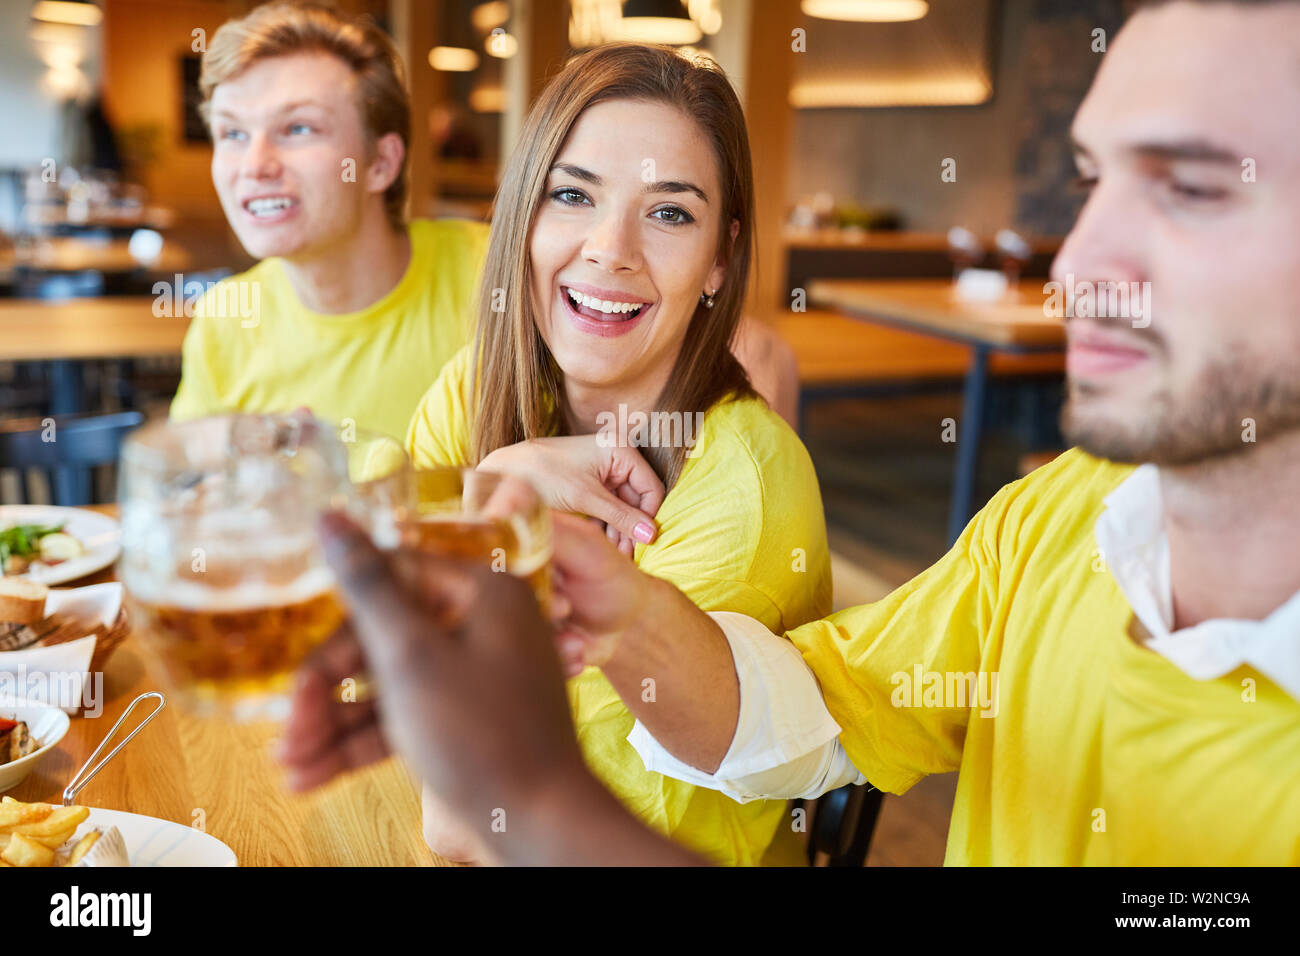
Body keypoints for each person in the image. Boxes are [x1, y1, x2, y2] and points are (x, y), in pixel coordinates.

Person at [284, 0, 1300, 866]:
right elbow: (819, 712)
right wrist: (624, 612)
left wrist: (528, 785)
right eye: (1090, 182)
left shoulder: (751, 478)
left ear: (724, 255)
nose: (1076, 266)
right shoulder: (1054, 518)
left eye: (1193, 188)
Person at [401, 44, 832, 866]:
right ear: (523, 214)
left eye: (669, 212)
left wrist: (477, 526)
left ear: (720, 259)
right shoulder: (476, 390)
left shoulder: (743, 505)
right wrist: (499, 486)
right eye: (572, 194)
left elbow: (474, 824)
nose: (610, 249)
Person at [169, 2, 489, 441]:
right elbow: (191, 484)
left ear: (380, 162)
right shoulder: (225, 319)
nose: (254, 165)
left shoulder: (492, 273)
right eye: (233, 134)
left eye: (298, 128)